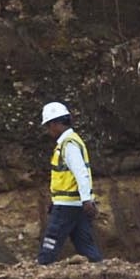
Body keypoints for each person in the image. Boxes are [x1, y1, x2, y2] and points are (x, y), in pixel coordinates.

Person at [37, 98, 101, 264]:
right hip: (74, 205)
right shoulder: (70, 142)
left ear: (56, 124)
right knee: (85, 244)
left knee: (51, 241)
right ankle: (101, 273)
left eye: (48, 126)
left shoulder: (69, 145)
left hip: (67, 206)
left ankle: (41, 273)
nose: (48, 130)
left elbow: (81, 173)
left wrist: (87, 199)